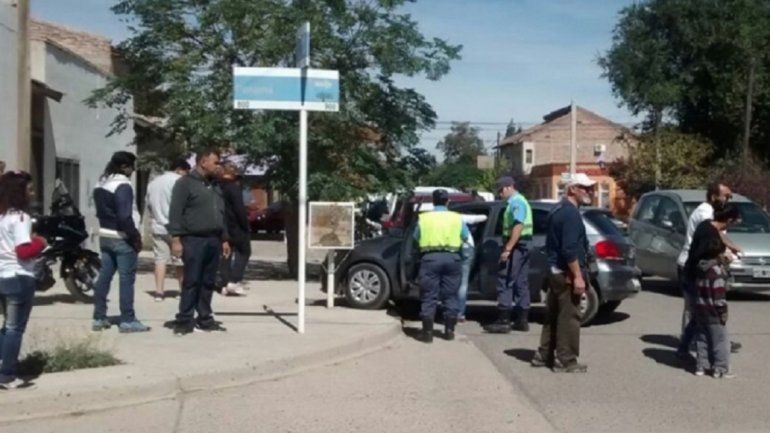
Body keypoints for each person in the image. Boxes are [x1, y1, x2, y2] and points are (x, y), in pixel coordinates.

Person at [531, 173, 596, 373]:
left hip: (555, 270)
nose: (589, 191)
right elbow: (569, 249)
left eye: (590, 188)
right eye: (584, 187)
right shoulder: (570, 214)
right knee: (569, 317)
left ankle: (544, 355)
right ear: (572, 189)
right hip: (566, 273)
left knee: (554, 315)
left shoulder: (558, 209)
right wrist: (577, 276)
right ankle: (565, 360)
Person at [168, 149, 230, 335]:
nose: (218, 166)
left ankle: (205, 318)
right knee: (192, 280)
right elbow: (175, 213)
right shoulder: (185, 183)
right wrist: (176, 240)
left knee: (208, 281)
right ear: (203, 162)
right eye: (215, 162)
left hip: (213, 239)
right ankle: (184, 319)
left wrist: (225, 239)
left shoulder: (215, 185)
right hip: (194, 239)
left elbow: (221, 213)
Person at [676, 182, 741, 357]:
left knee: (702, 310)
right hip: (694, 266)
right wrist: (727, 252)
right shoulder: (705, 213)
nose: (728, 199)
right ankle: (692, 347)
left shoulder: (713, 214)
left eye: (730, 197)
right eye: (726, 196)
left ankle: (697, 345)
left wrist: (730, 248)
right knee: (696, 310)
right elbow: (713, 234)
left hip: (701, 266)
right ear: (714, 196)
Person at [92, 151, 150, 333]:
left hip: (105, 235)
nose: (133, 171)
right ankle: (127, 319)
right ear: (125, 167)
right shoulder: (123, 185)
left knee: (104, 277)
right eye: (132, 167)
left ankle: (99, 317)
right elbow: (124, 216)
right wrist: (135, 237)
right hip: (122, 237)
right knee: (126, 279)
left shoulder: (101, 183)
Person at [0, 171, 45, 389]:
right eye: (29, 189)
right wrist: (41, 242)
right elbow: (24, 251)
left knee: (7, 327)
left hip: (2, 276)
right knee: (15, 329)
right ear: (19, 192)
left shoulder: (2, 216)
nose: (33, 193)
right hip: (19, 277)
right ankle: (7, 374)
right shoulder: (20, 217)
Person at [685, 205, 741, 378]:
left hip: (701, 309)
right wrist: (723, 312)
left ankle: (701, 367)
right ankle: (720, 369)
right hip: (714, 312)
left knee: (702, 338)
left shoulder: (701, 271)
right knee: (720, 340)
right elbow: (719, 297)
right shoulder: (716, 274)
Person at [413, 189, 469, 343]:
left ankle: (427, 333)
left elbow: (416, 237)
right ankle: (449, 331)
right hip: (452, 259)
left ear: (433, 202)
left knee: (429, 296)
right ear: (447, 201)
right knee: (450, 295)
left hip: (430, 259)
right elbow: (465, 236)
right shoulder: (457, 218)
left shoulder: (424, 218)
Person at [484, 176, 533, 333]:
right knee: (520, 282)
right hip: (523, 245)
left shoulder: (516, 202)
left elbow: (518, 225)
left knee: (505, 280)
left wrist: (508, 249)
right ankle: (522, 320)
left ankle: (504, 321)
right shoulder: (519, 201)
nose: (500, 194)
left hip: (517, 246)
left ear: (508, 187)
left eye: (501, 190)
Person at [145, 158, 190, 302]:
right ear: (180, 169)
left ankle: (159, 292)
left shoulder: (153, 183)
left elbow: (148, 205)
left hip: (158, 226)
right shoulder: (180, 181)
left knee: (160, 260)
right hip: (177, 227)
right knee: (180, 260)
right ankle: (182, 291)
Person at [217, 161, 250, 296]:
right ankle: (234, 280)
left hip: (221, 224)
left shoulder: (217, 186)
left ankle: (224, 282)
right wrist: (245, 225)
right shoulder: (233, 187)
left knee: (226, 253)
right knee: (244, 251)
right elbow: (239, 208)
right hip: (235, 225)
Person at [457, 213, 487, 322]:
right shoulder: (457, 217)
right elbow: (483, 217)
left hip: (451, 249)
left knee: (451, 281)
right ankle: (459, 314)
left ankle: (450, 311)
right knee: (463, 282)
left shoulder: (434, 219)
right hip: (466, 248)